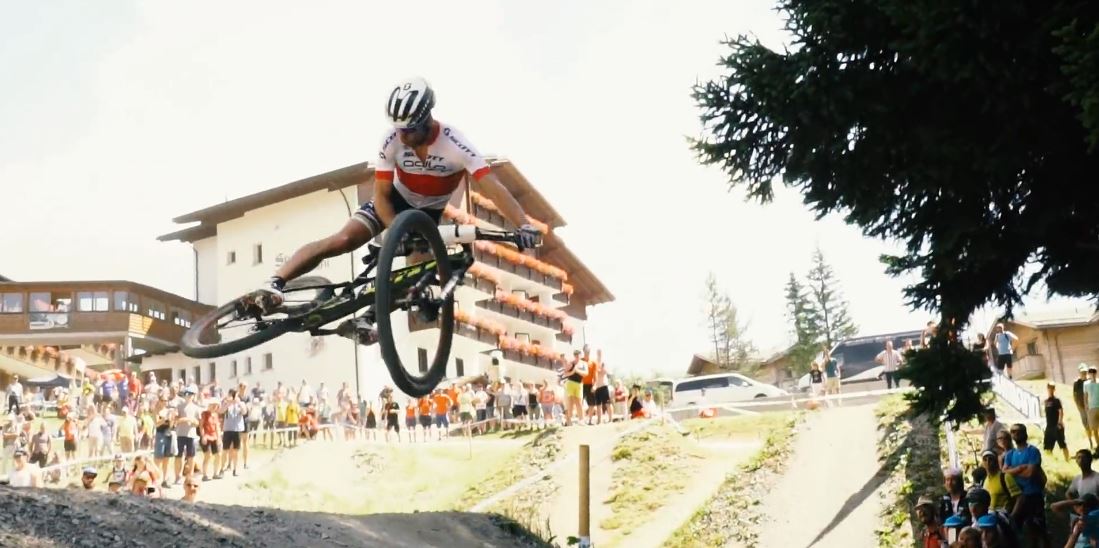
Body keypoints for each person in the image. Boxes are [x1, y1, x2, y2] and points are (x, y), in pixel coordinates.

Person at [250, 77, 541, 340]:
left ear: (426, 120)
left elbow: (493, 186)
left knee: (412, 279)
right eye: (397, 128)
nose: (402, 136)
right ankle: (275, 283)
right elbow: (381, 194)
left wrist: (523, 224)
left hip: (427, 216)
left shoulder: (455, 142)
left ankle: (366, 319)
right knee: (343, 240)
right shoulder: (391, 141)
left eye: (409, 130)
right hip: (391, 204)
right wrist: (395, 230)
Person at [1002, 424, 1050, 547]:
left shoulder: (1033, 451)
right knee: (1016, 528)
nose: (1015, 433)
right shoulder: (1009, 454)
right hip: (1016, 496)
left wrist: (1013, 470)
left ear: (1025, 433)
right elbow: (1004, 472)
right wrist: (1020, 468)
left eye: (1019, 431)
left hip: (1033, 495)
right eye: (1012, 431)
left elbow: (1030, 473)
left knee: (1038, 528)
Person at [1044, 382, 1071, 461]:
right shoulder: (1046, 401)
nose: (1050, 390)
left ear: (1054, 389)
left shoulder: (1056, 401)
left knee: (1062, 444)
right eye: (1049, 388)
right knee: (1047, 447)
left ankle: (1067, 460)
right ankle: (1051, 461)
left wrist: (1060, 422)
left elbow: (1061, 411)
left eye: (1052, 388)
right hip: (1049, 426)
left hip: (1057, 425)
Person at [1075, 363, 1093, 450]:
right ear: (1079, 373)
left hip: (1091, 407)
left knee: (1094, 425)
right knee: (1087, 426)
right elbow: (1075, 396)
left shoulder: (1090, 381)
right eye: (1082, 372)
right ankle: (1091, 442)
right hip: (1082, 408)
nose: (1084, 374)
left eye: (1085, 372)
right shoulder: (1076, 383)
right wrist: (1079, 407)